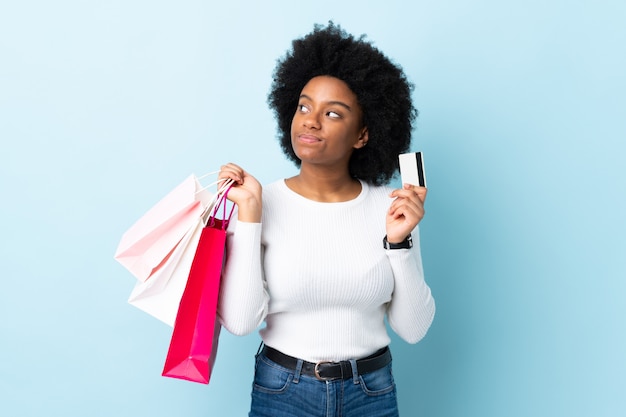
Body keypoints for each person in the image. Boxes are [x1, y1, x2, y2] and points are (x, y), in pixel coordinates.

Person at [217, 22, 435, 417]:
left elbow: (414, 329)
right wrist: (249, 219)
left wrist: (399, 243)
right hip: (282, 391)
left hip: (371, 393)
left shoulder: (392, 208)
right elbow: (239, 321)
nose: (311, 121)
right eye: (304, 106)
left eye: (333, 113)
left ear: (363, 134)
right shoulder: (258, 200)